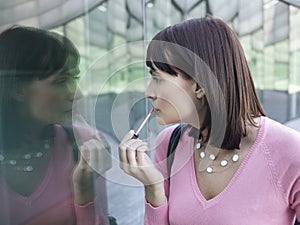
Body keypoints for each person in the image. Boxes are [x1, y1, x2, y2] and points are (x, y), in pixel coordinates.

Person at [119, 16, 300, 225]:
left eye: (158, 78)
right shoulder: (168, 144)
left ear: (199, 85)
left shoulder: (290, 152)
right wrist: (154, 188)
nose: (149, 92)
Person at [0, 26, 112, 225]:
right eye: (61, 81)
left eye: (74, 79)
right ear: (16, 89)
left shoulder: (83, 143)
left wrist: (86, 189)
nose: (77, 94)